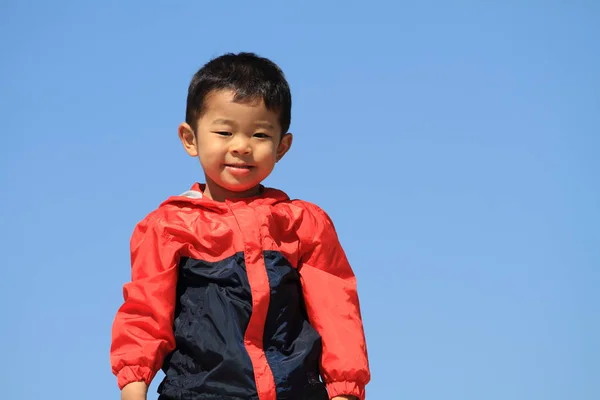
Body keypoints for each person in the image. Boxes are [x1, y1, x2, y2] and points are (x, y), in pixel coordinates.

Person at [110, 52, 370, 400]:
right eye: (224, 131)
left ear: (283, 146)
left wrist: (345, 391)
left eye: (260, 135)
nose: (241, 147)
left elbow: (338, 313)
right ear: (190, 138)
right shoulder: (168, 226)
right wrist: (133, 388)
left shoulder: (303, 224)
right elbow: (144, 313)